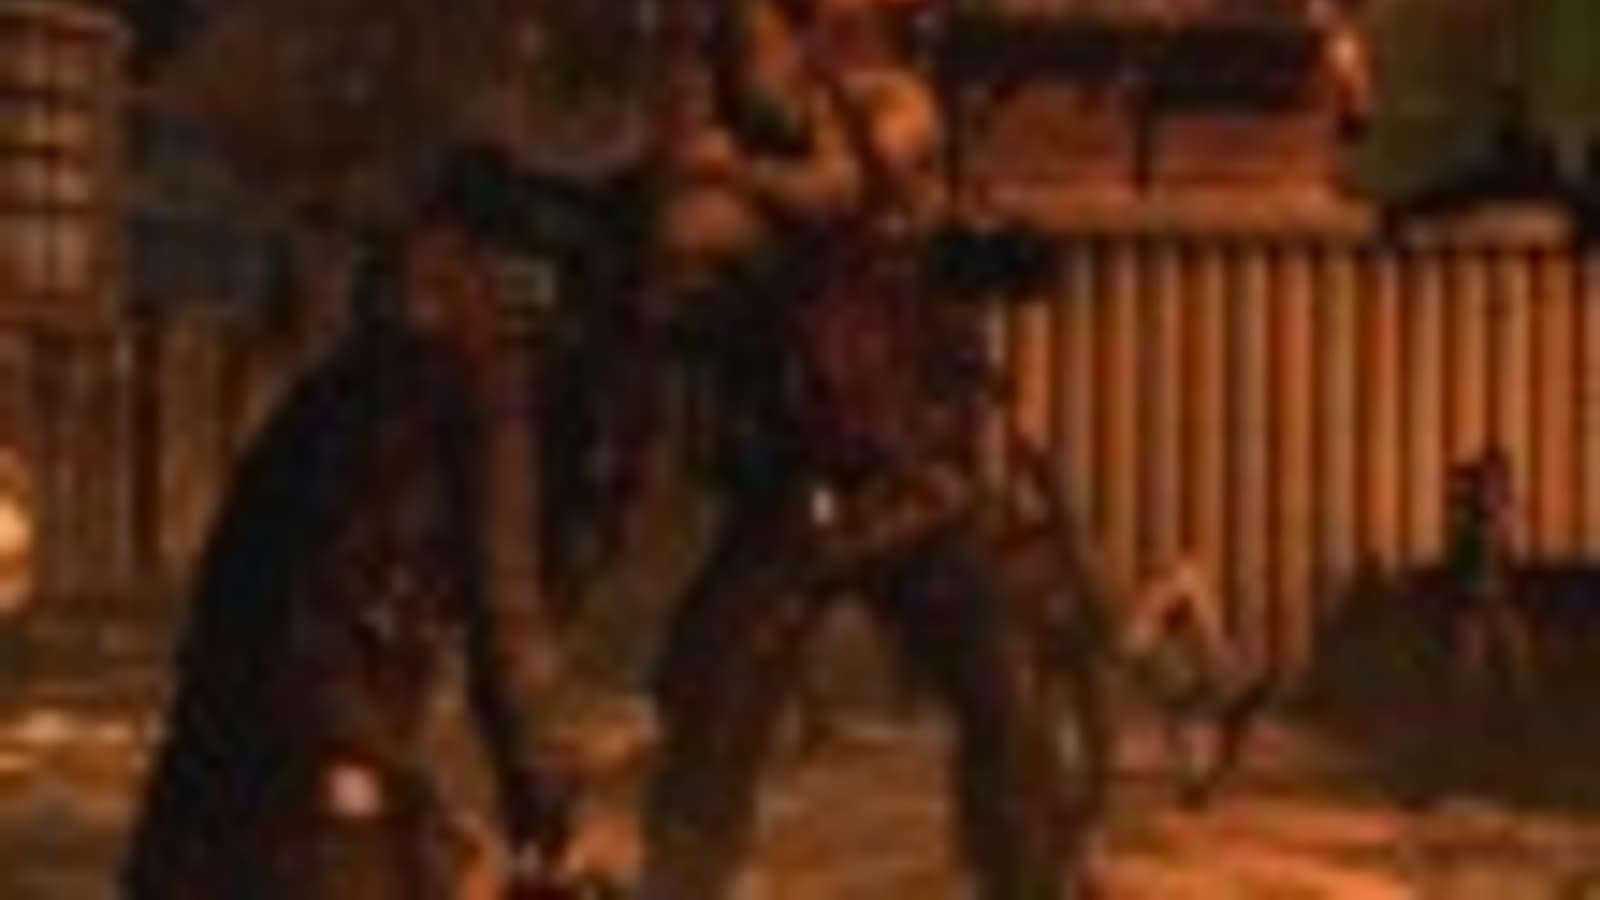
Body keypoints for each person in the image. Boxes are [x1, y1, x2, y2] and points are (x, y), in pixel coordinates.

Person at [640, 0, 1087, 896]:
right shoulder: (716, 159)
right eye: (740, 46)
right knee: (714, 718)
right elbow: (688, 232)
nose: (754, 66)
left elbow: (854, 188)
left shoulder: (880, 110)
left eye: (764, 39)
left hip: (910, 479)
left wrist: (759, 179)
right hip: (797, 488)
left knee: (1003, 710)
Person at [120, 147, 578, 899]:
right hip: (318, 772)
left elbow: (232, 602)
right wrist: (541, 803)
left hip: (212, 773)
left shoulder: (328, 396)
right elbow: (504, 617)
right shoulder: (478, 400)